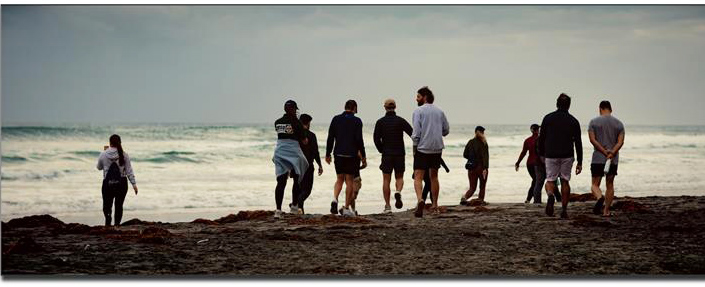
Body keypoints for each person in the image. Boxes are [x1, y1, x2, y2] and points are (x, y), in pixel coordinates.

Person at [538, 93, 583, 219]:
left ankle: (551, 195)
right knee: (565, 181)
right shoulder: (574, 121)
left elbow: (542, 138)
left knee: (550, 180)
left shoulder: (547, 118)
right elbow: (578, 142)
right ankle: (564, 210)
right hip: (567, 154)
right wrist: (580, 161)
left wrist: (541, 154)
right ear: (569, 105)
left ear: (557, 104)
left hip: (551, 154)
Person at [411, 86, 450, 217]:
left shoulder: (418, 111)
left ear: (424, 97)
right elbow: (446, 130)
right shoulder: (440, 111)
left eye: (418, 96)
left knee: (418, 176)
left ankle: (420, 200)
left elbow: (416, 132)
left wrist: (415, 147)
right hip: (437, 148)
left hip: (422, 148)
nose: (416, 99)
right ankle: (435, 205)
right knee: (434, 177)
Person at [326, 100, 366, 217]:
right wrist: (363, 156)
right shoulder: (357, 121)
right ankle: (347, 207)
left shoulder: (336, 119)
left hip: (338, 154)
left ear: (345, 107)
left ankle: (334, 199)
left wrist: (328, 153)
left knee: (339, 179)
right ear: (354, 108)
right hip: (352, 155)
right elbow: (359, 140)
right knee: (349, 181)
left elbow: (330, 137)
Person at [373, 98, 413, 213]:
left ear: (385, 107)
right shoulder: (400, 121)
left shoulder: (380, 122)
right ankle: (398, 192)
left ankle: (387, 206)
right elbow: (412, 133)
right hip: (399, 153)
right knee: (399, 177)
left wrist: (382, 150)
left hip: (387, 154)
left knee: (386, 180)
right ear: (395, 107)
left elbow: (376, 139)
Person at [272, 100, 309, 219]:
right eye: (295, 109)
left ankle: (278, 210)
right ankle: (294, 206)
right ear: (293, 109)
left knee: (281, 182)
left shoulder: (277, 122)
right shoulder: (296, 122)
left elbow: (282, 136)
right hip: (293, 151)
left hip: (280, 151)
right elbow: (304, 140)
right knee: (298, 176)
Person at [588, 101, 625, 217]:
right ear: (611, 109)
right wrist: (612, 152)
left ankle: (600, 197)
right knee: (610, 184)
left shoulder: (593, 122)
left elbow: (592, 140)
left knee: (595, 185)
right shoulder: (619, 124)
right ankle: (606, 211)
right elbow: (620, 142)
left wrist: (604, 152)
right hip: (612, 159)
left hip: (598, 158)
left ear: (600, 109)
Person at [97, 134, 138, 226]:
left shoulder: (103, 154)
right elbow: (129, 171)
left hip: (108, 183)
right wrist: (134, 184)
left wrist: (105, 152)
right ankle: (117, 225)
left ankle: (108, 221)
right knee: (119, 206)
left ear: (110, 142)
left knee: (107, 205)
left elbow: (99, 167)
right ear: (120, 143)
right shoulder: (124, 154)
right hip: (122, 183)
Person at [290, 114, 323, 214]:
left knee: (297, 186)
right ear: (308, 123)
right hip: (308, 165)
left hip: (295, 164)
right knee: (306, 190)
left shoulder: (294, 135)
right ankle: (297, 204)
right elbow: (315, 152)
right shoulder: (311, 135)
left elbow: (290, 150)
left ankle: (297, 207)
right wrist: (320, 165)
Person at [461, 126, 489, 204]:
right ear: (482, 133)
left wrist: (472, 158)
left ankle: (464, 198)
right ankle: (481, 201)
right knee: (482, 187)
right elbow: (485, 157)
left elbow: (465, 154)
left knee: (472, 188)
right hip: (481, 167)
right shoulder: (483, 142)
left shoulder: (470, 142)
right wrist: (485, 168)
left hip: (471, 167)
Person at [515, 124, 541, 204]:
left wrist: (518, 162)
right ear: (538, 130)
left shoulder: (527, 140)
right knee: (537, 181)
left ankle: (529, 199)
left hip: (529, 164)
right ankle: (531, 199)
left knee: (536, 180)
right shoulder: (541, 139)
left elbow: (523, 153)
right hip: (538, 163)